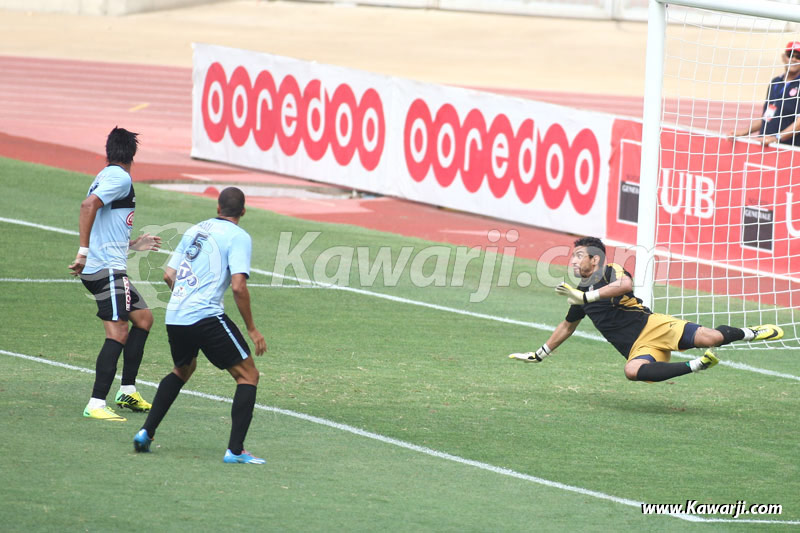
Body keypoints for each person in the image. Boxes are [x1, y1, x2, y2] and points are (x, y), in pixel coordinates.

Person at [508, 237, 783, 382]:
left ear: (595, 258)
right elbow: (567, 326)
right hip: (638, 347)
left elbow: (624, 284)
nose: (574, 260)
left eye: (579, 255)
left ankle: (749, 332)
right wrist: (540, 354)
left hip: (653, 326)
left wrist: (586, 297)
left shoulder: (609, 272)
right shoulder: (580, 293)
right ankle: (697, 365)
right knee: (632, 371)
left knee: (712, 338)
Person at [132, 187, 268, 464]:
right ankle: (235, 450)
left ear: (218, 208)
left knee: (183, 369)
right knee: (248, 376)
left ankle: (146, 432)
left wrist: (186, 299)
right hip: (204, 315)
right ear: (243, 211)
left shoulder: (195, 229)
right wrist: (252, 329)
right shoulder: (239, 237)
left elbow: (168, 275)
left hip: (176, 315)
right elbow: (239, 286)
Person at [69, 127, 161, 421]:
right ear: (133, 153)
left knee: (143, 319)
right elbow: (88, 206)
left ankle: (127, 391)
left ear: (109, 151)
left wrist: (133, 244)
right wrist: (83, 252)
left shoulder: (107, 175)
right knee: (119, 331)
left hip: (109, 265)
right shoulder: (119, 178)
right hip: (105, 269)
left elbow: (105, 221)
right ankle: (96, 403)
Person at [729, 41, 800, 147]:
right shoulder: (775, 82)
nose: (793, 59)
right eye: (790, 55)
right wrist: (744, 132)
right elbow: (767, 116)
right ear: (783, 57)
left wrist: (777, 138)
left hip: (788, 149)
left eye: (798, 56)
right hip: (766, 145)